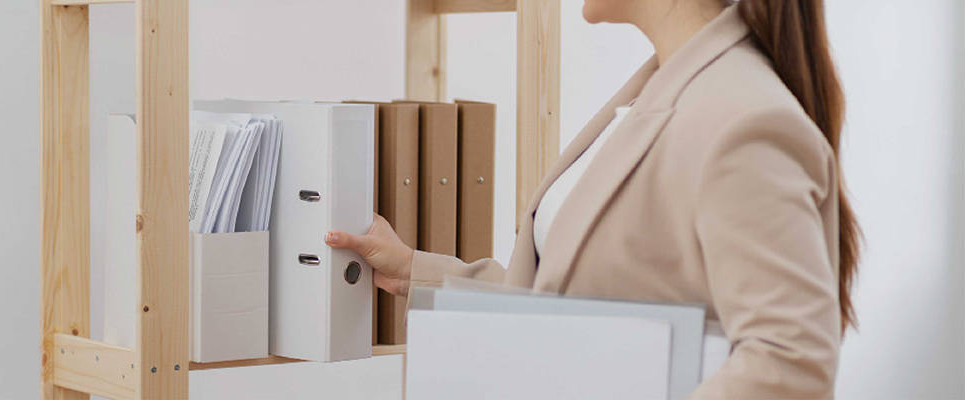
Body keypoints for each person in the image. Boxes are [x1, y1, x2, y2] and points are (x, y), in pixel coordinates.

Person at [326, 0, 859, 397]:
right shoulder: (660, 88)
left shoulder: (743, 119)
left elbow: (790, 365)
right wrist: (414, 271)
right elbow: (580, 304)